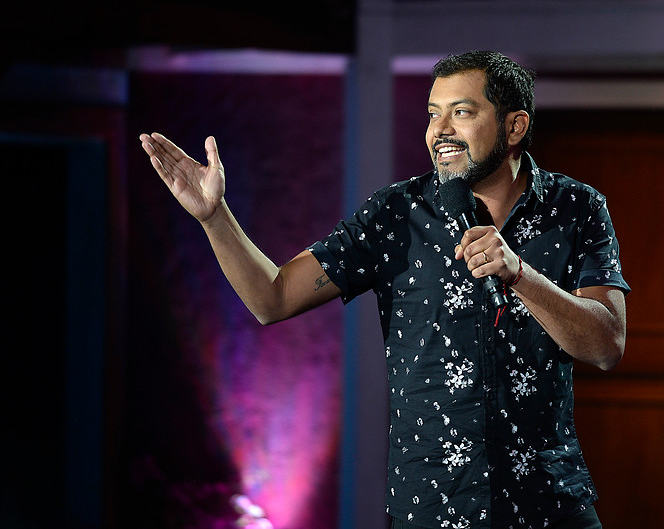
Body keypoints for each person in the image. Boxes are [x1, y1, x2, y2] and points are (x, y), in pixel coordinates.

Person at [140, 50, 629, 529]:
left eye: (461, 112)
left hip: (550, 504)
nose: (440, 130)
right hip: (432, 508)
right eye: (433, 114)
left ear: (515, 126)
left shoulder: (577, 208)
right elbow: (273, 298)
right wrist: (214, 218)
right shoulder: (396, 214)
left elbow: (606, 345)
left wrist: (520, 274)